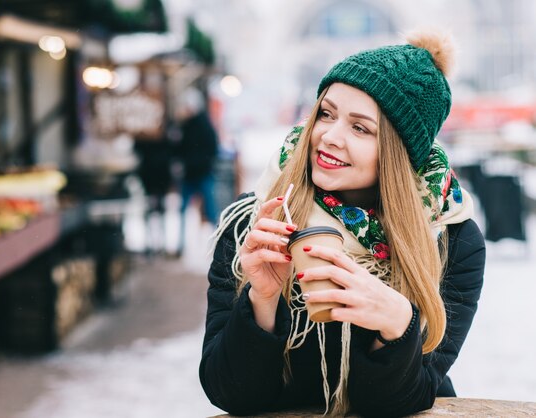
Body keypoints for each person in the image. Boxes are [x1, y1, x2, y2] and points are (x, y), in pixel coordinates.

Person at [200, 30, 486, 417]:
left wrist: (397, 326)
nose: (329, 137)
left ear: (399, 152)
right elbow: (229, 393)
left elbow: (403, 401)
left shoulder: (451, 239)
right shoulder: (256, 223)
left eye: (361, 127)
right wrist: (262, 300)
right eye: (326, 113)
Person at [175, 87, 219, 255]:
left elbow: (211, 149)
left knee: (209, 210)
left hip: (200, 173)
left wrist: (193, 162)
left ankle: (217, 244)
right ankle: (212, 244)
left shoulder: (200, 126)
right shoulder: (189, 126)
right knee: (205, 210)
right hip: (195, 174)